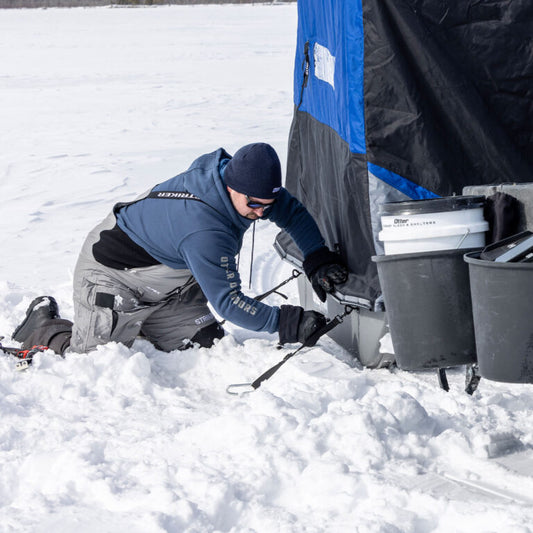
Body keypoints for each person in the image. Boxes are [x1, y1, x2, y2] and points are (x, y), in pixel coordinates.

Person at [12, 143, 348, 355]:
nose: (262, 211)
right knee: (91, 359)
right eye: (255, 204)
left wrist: (315, 256)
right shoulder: (205, 229)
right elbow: (229, 303)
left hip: (170, 288)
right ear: (233, 186)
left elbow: (290, 211)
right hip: (113, 278)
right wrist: (289, 322)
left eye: (267, 203)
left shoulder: (246, 185)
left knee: (205, 347)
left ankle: (143, 323)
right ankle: (43, 326)